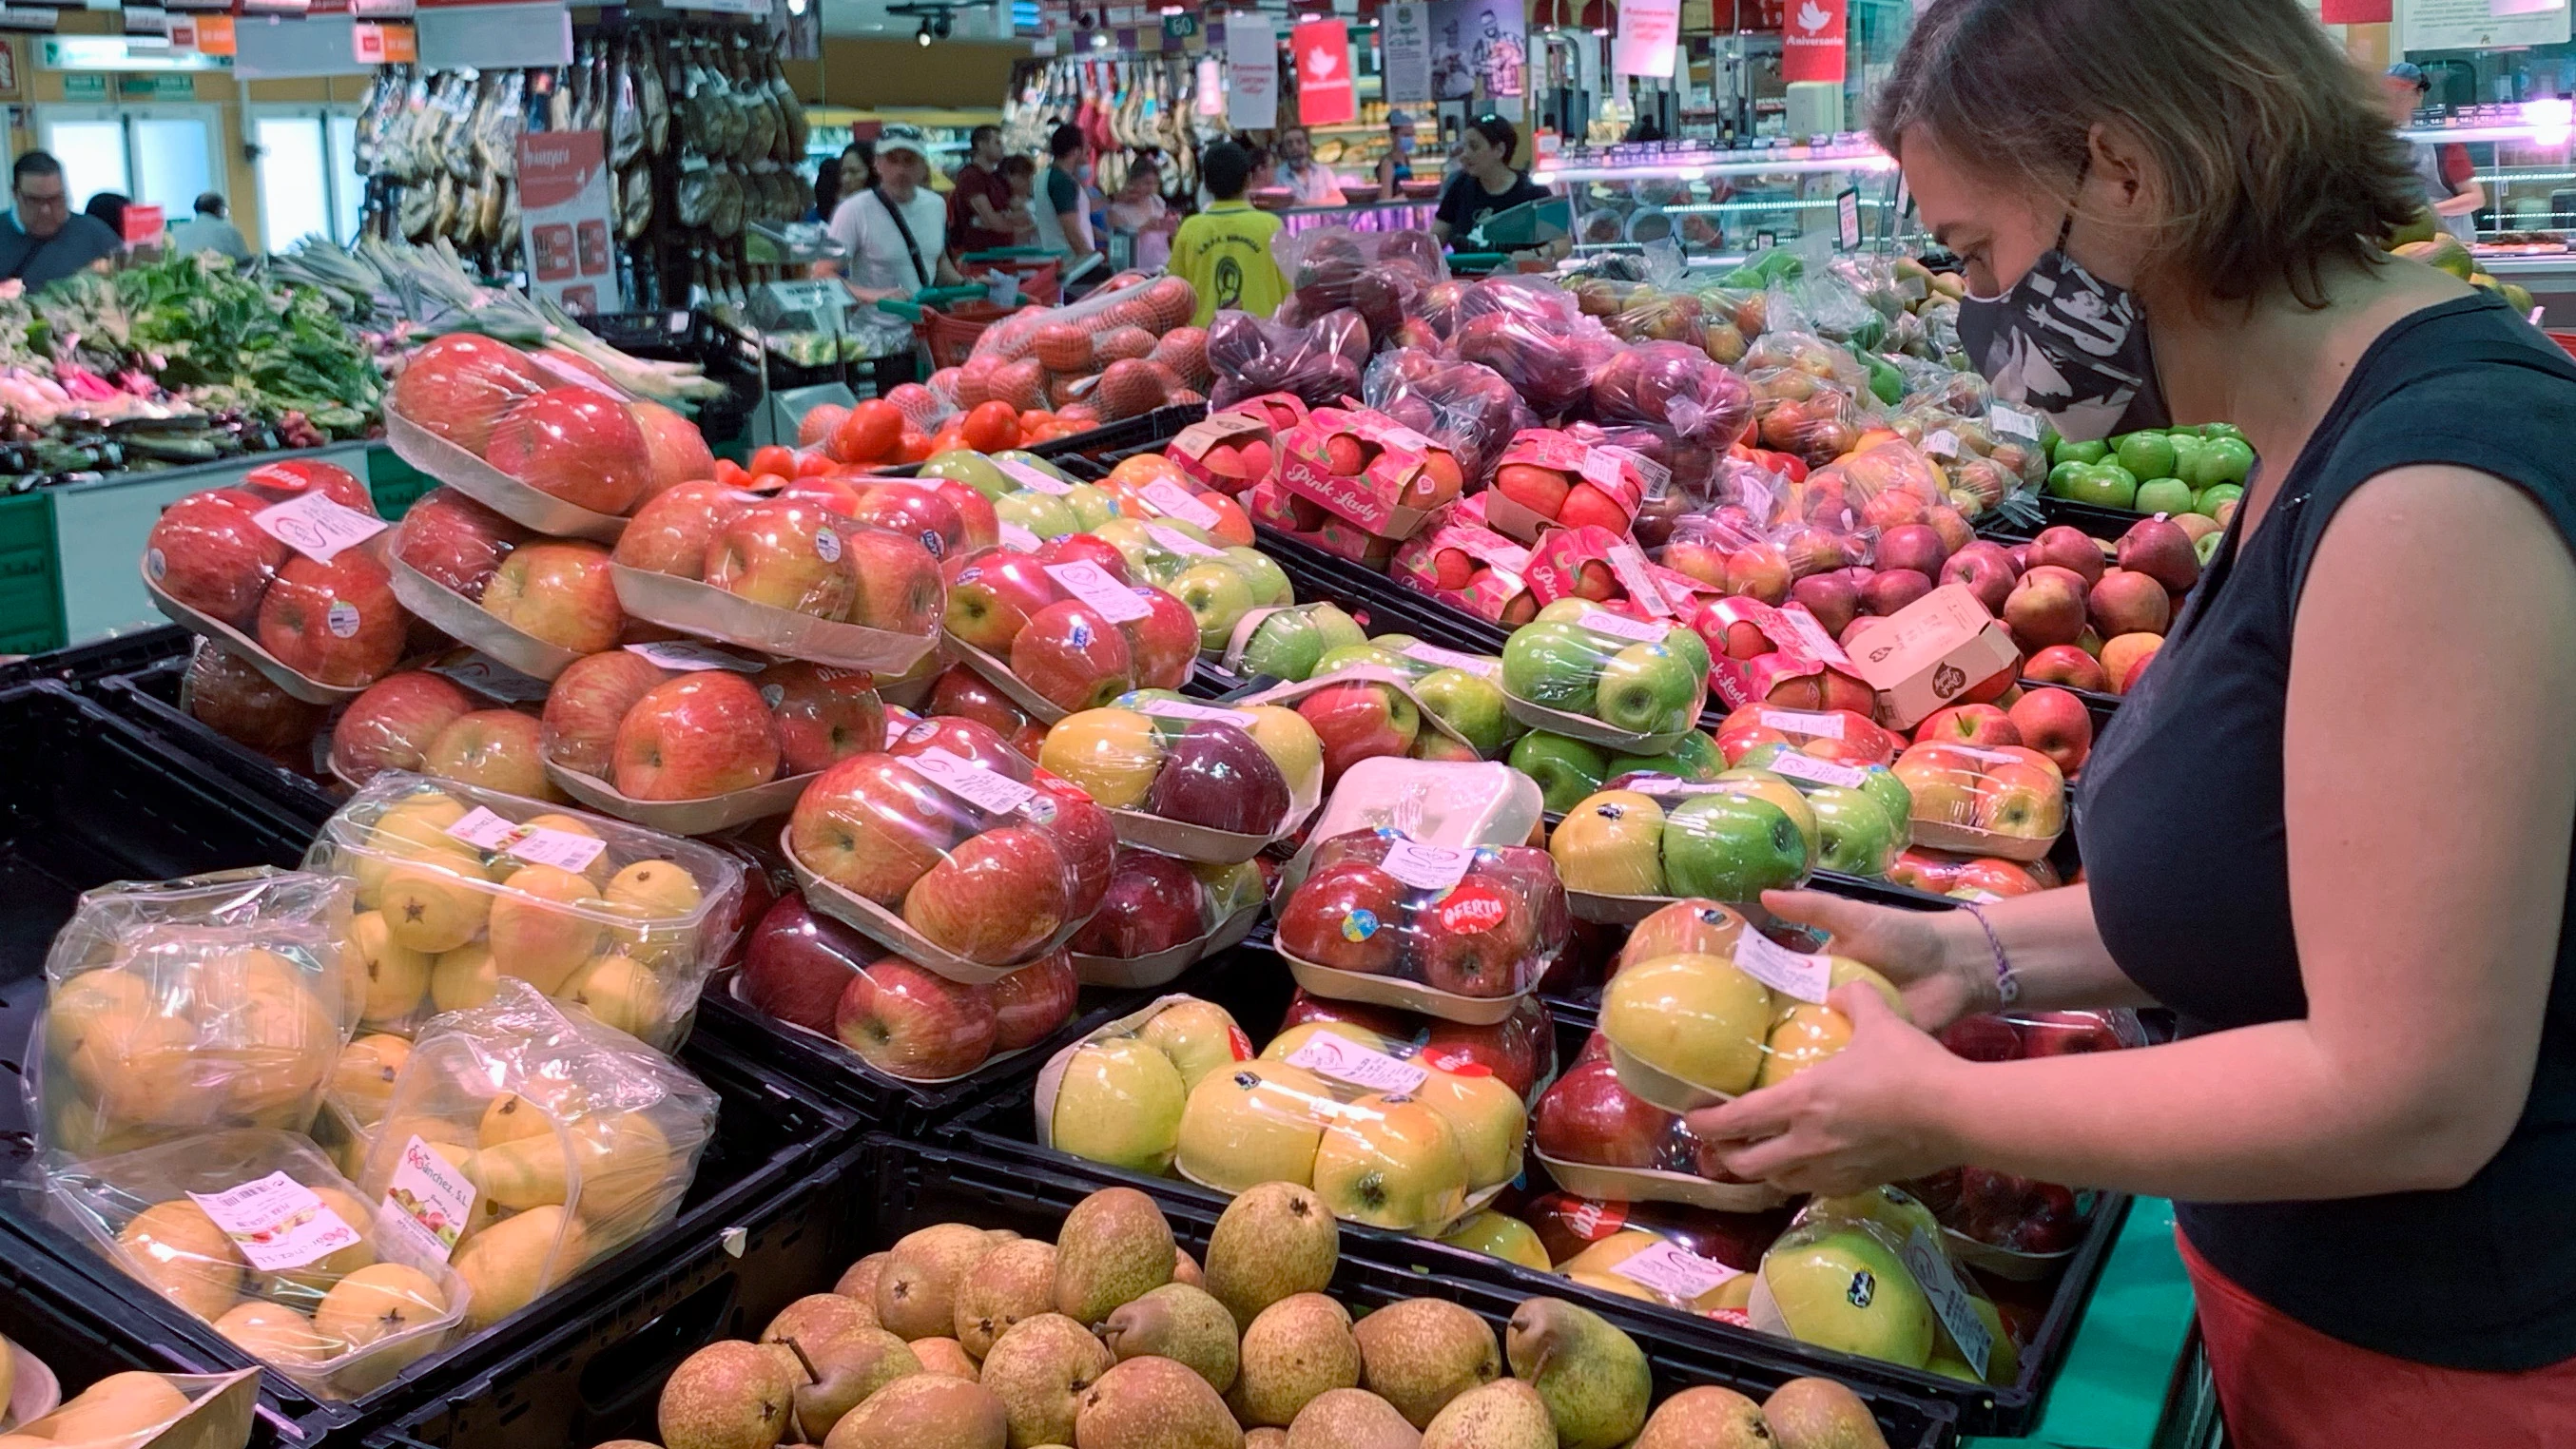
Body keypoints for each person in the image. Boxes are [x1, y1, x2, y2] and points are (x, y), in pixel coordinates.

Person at [1682, 3, 2576, 1444]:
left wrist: (1949, 1115)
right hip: (2332, 1323)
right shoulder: (2324, 430)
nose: (1975, 312)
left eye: (1975, 251)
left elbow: (2414, 1089)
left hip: (2458, 1377)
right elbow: (2294, 880)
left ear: (2124, 175)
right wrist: (1975, 952)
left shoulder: (2435, 496)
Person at [824, 124, 961, 398]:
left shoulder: (935, 205)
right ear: (877, 164)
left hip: (927, 338)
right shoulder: (853, 211)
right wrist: (876, 296)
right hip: (877, 346)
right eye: (892, 160)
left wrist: (967, 283)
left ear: (924, 166)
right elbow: (822, 274)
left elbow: (937, 260)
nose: (900, 169)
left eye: (909, 161)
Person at [1168, 141, 1287, 327]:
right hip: (1264, 341)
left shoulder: (1190, 229)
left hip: (1202, 342)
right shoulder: (1271, 225)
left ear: (1206, 185)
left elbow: (1175, 294)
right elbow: (1290, 292)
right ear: (1248, 179)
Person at [2383, 63, 2485, 245]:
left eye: (2401, 94)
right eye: (2387, 94)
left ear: (2419, 95)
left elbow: (2475, 198)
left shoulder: (2443, 142)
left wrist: (2426, 212)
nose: (2393, 101)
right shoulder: (2379, 140)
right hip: (2402, 244)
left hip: (2452, 243)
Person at [0, 156, 120, 290]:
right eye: (34, 200)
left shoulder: (97, 236)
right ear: (15, 194)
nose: (46, 210)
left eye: (55, 199)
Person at [1431, 116, 1550, 244]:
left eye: (1474, 147)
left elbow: (1561, 244)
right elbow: (1437, 237)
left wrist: (1533, 255)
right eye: (1464, 147)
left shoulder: (1534, 192)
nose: (1464, 155)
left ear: (1499, 150)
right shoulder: (1459, 187)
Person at [1031, 124, 1100, 284]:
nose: (1089, 149)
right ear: (1075, 151)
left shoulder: (1044, 177)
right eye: (1086, 145)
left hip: (1057, 262)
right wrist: (1092, 262)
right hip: (1073, 267)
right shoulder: (1062, 182)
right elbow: (1071, 230)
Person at [946, 124, 1021, 259]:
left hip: (1005, 258)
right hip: (980, 261)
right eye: (997, 143)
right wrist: (1005, 217)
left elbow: (1023, 215)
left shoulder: (999, 179)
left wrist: (1002, 218)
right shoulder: (970, 177)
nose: (1002, 148)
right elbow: (993, 221)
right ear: (981, 145)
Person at [1105, 156, 1175, 271]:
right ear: (1132, 181)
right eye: (1146, 183)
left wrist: (1171, 228)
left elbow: (1168, 235)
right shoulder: (1117, 211)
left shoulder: (1157, 201)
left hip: (1163, 265)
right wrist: (1145, 228)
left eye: (1154, 183)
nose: (1151, 188)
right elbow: (1120, 244)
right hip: (1136, 269)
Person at [167, 192, 250, 261]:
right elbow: (246, 264)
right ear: (220, 210)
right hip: (218, 279)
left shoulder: (176, 232)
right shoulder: (230, 232)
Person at [1275, 125, 1345, 207]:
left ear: (1308, 146)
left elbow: (1339, 199)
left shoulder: (1323, 171)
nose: (1295, 147)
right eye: (1289, 144)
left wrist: (1305, 204)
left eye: (1300, 142)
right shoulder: (1278, 175)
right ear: (1284, 150)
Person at [1375, 110, 1419, 193]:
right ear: (1393, 136)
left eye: (1412, 134)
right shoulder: (1388, 163)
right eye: (1406, 135)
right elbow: (1385, 199)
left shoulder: (1405, 159)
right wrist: (1409, 196)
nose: (1410, 138)